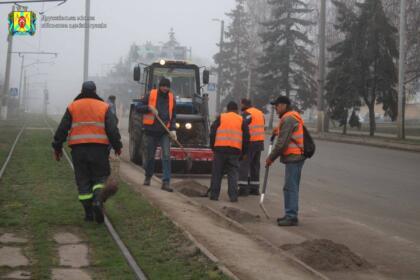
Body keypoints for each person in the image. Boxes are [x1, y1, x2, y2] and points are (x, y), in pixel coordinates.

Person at [52, 81, 122, 224]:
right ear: (95, 91)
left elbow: (62, 129)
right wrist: (117, 146)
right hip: (99, 150)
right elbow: (112, 129)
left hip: (78, 150)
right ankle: (97, 202)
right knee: (100, 179)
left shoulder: (73, 106)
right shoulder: (104, 107)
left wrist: (57, 147)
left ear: (81, 90)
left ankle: (88, 213)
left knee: (83, 181)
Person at [266, 96, 305, 226]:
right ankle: (290, 214)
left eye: (276, 106)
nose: (276, 109)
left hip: (294, 157)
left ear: (283, 105)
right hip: (295, 157)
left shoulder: (288, 119)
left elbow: (281, 144)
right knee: (290, 187)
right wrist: (278, 129)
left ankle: (291, 216)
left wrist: (270, 158)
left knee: (290, 187)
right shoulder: (290, 117)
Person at [136, 77, 176, 192]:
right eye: (163, 86)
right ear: (160, 86)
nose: (165, 88)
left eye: (167, 86)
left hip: (165, 132)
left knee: (167, 156)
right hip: (151, 131)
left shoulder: (171, 97)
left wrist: (173, 129)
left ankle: (166, 182)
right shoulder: (151, 94)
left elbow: (173, 115)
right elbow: (138, 107)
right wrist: (149, 108)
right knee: (150, 155)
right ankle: (148, 177)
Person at [209, 101, 250, 202]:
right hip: (234, 150)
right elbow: (246, 138)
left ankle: (214, 195)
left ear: (227, 109)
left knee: (217, 172)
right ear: (236, 110)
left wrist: (213, 147)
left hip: (220, 150)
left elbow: (212, 132)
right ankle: (233, 196)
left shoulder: (221, 117)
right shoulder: (241, 120)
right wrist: (244, 152)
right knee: (233, 174)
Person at [238, 98, 265, 196]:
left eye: (241, 105)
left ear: (244, 104)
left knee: (244, 164)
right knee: (255, 165)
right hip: (260, 142)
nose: (241, 107)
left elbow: (242, 126)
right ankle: (254, 188)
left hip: (250, 143)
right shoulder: (260, 113)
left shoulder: (247, 113)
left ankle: (243, 189)